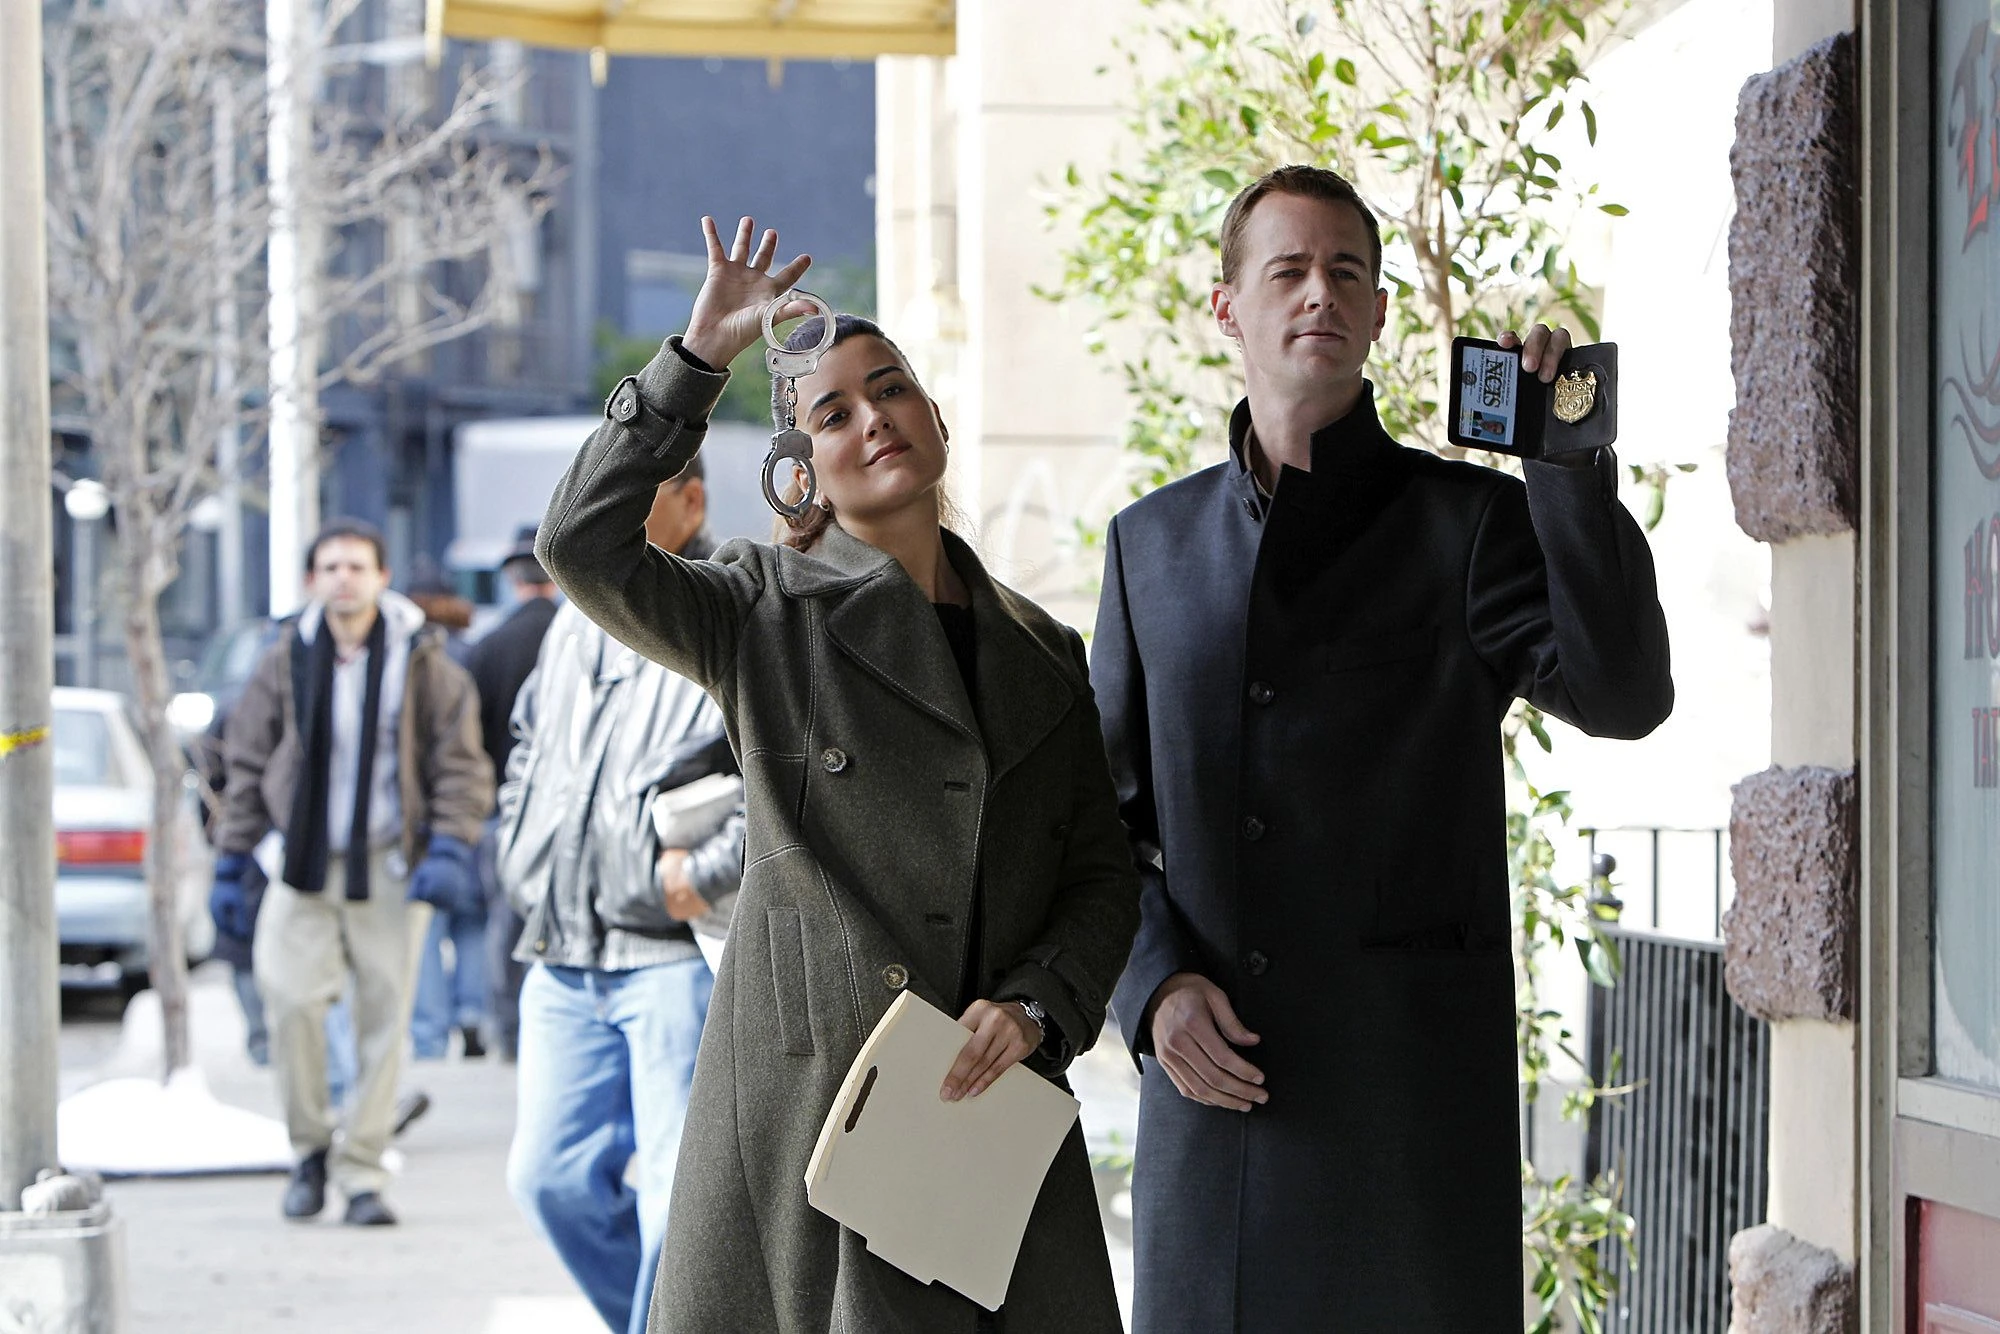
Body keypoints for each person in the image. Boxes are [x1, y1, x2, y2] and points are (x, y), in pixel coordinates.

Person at [1090, 163, 1676, 1331]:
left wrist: (1561, 466)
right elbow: (1098, 824)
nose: (1320, 292)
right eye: (1288, 270)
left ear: (1377, 314)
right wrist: (1151, 989)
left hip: (1401, 1122)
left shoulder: (1464, 524)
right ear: (1227, 307)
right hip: (1217, 1123)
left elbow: (1623, 694)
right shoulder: (1148, 544)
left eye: (1345, 272)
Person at [535, 215, 1139, 1333]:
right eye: (833, 412)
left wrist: (1035, 1005)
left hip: (986, 1103)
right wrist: (696, 359)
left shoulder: (1044, 650)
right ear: (799, 468)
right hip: (820, 1108)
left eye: (891, 389)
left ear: (936, 417)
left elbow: (1102, 875)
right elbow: (579, 543)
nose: (872, 419)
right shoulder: (760, 610)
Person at [496, 457, 742, 1334]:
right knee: (547, 1180)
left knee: (678, 1206)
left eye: (635, 494)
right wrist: (519, 851)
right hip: (561, 949)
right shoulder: (572, 617)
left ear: (692, 501)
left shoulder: (725, 609)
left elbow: (786, 778)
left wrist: (701, 874)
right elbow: (528, 744)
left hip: (672, 957)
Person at [211, 519, 494, 1226]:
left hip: (388, 863)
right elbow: (246, 762)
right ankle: (309, 1148)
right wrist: (232, 859)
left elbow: (460, 765)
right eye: (331, 566)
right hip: (301, 863)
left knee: (384, 1020)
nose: (343, 578)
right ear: (312, 580)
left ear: (381, 578)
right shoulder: (284, 658)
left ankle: (363, 1173)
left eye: (357, 566)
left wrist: (449, 847)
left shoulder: (423, 660)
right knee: (290, 1003)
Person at [465, 528, 561, 1061]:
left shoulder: (490, 646)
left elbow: (471, 736)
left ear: (511, 578)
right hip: (573, 805)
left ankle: (510, 1031)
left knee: (505, 923)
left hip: (506, 802)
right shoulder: (584, 632)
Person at [405, 567, 491, 1059]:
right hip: (479, 805)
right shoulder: (477, 651)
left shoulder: (419, 666)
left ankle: (430, 1034)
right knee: (471, 921)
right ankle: (472, 1013)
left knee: (427, 930)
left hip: (431, 814)